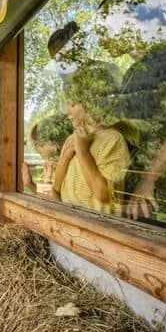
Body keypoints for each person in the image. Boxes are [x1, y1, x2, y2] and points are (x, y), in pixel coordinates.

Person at [97, 0, 166, 231]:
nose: (101, 39)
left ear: (126, 21)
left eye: (104, 28)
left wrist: (148, 180)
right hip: (133, 197)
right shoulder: (134, 71)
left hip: (165, 198)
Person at [53, 61, 137, 216]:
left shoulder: (113, 140)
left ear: (90, 102)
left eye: (71, 103)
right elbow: (56, 188)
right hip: (70, 227)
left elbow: (104, 195)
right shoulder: (72, 139)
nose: (66, 111)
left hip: (96, 231)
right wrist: (65, 157)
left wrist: (83, 151)